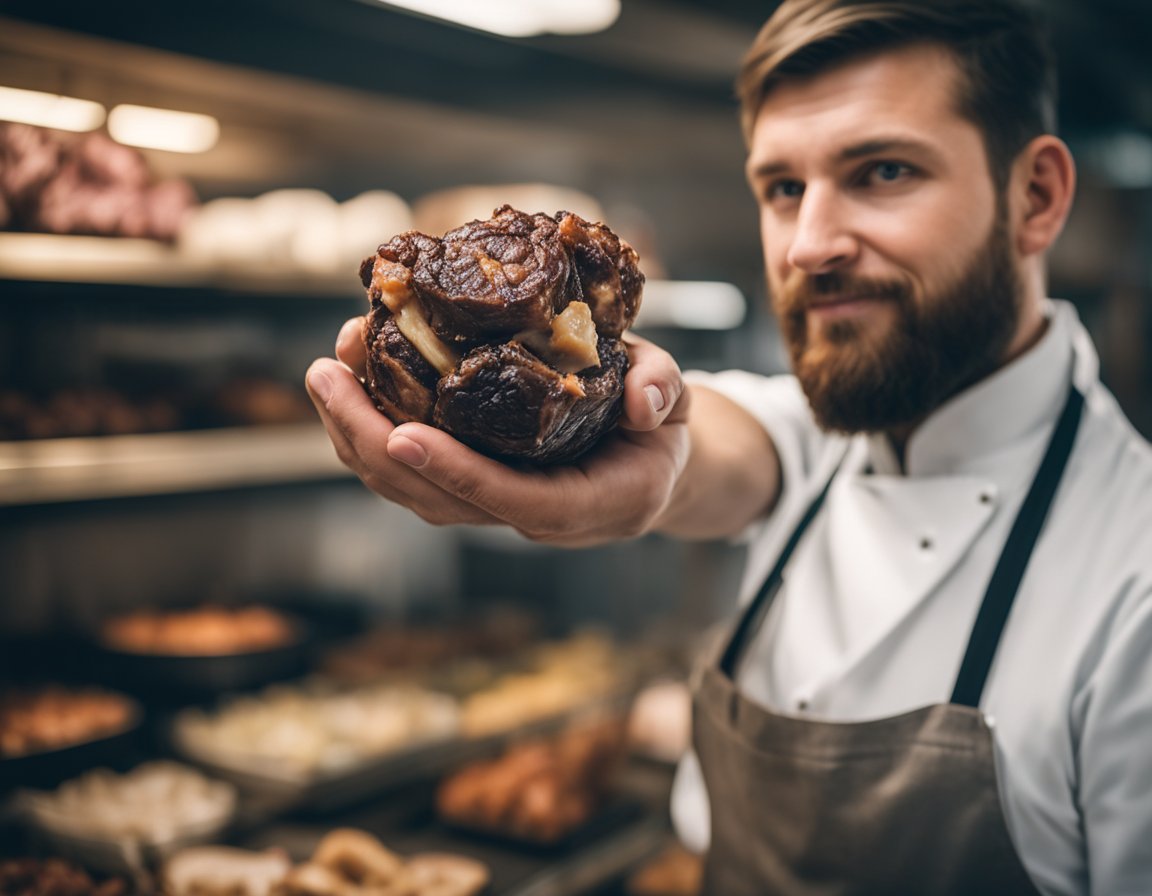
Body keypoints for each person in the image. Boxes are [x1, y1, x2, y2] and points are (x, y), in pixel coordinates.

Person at [305, 0, 1152, 892]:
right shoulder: (830, 435)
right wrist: (601, 450)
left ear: (1037, 197)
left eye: (885, 171)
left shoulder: (1130, 581)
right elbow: (703, 447)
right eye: (783, 188)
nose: (811, 244)